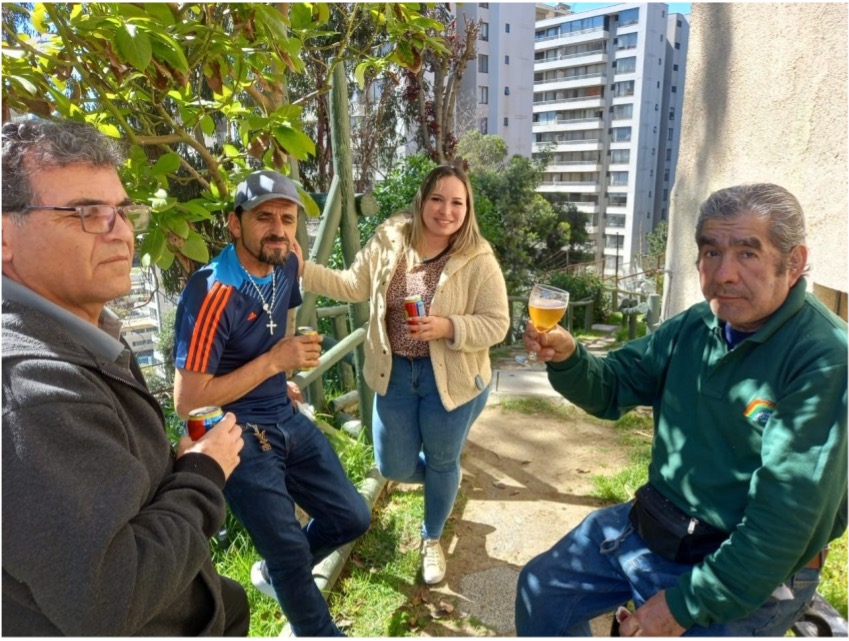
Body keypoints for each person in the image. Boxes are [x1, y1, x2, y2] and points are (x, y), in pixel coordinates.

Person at [515, 183, 847, 636]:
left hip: (746, 564)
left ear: (794, 262)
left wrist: (680, 606)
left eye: (747, 254)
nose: (724, 273)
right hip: (659, 526)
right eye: (711, 252)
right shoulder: (698, 323)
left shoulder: (823, 357)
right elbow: (612, 386)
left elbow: (781, 526)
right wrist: (570, 356)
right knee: (543, 590)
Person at [2, 119, 249, 635]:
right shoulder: (31, 390)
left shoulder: (80, 332)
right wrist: (203, 475)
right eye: (87, 213)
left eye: (122, 210)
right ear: (5, 237)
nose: (121, 230)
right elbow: (114, 598)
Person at [172, 169, 371, 636]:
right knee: (286, 550)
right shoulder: (211, 292)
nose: (279, 228)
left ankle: (276, 574)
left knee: (351, 516)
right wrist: (273, 363)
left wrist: (279, 375)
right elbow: (188, 402)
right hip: (234, 431)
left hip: (282, 412)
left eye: (288, 217)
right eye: (264, 217)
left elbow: (278, 322)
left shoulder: (287, 261)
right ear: (235, 223)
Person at [297, 164, 510, 585]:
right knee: (392, 464)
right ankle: (443, 479)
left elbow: (497, 323)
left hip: (449, 378)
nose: (445, 211)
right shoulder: (391, 239)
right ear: (421, 199)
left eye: (457, 203)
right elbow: (352, 285)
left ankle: (432, 536)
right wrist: (302, 269)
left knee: (444, 460)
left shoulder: (477, 257)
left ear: (467, 210)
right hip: (394, 372)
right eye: (437, 198)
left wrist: (448, 326)